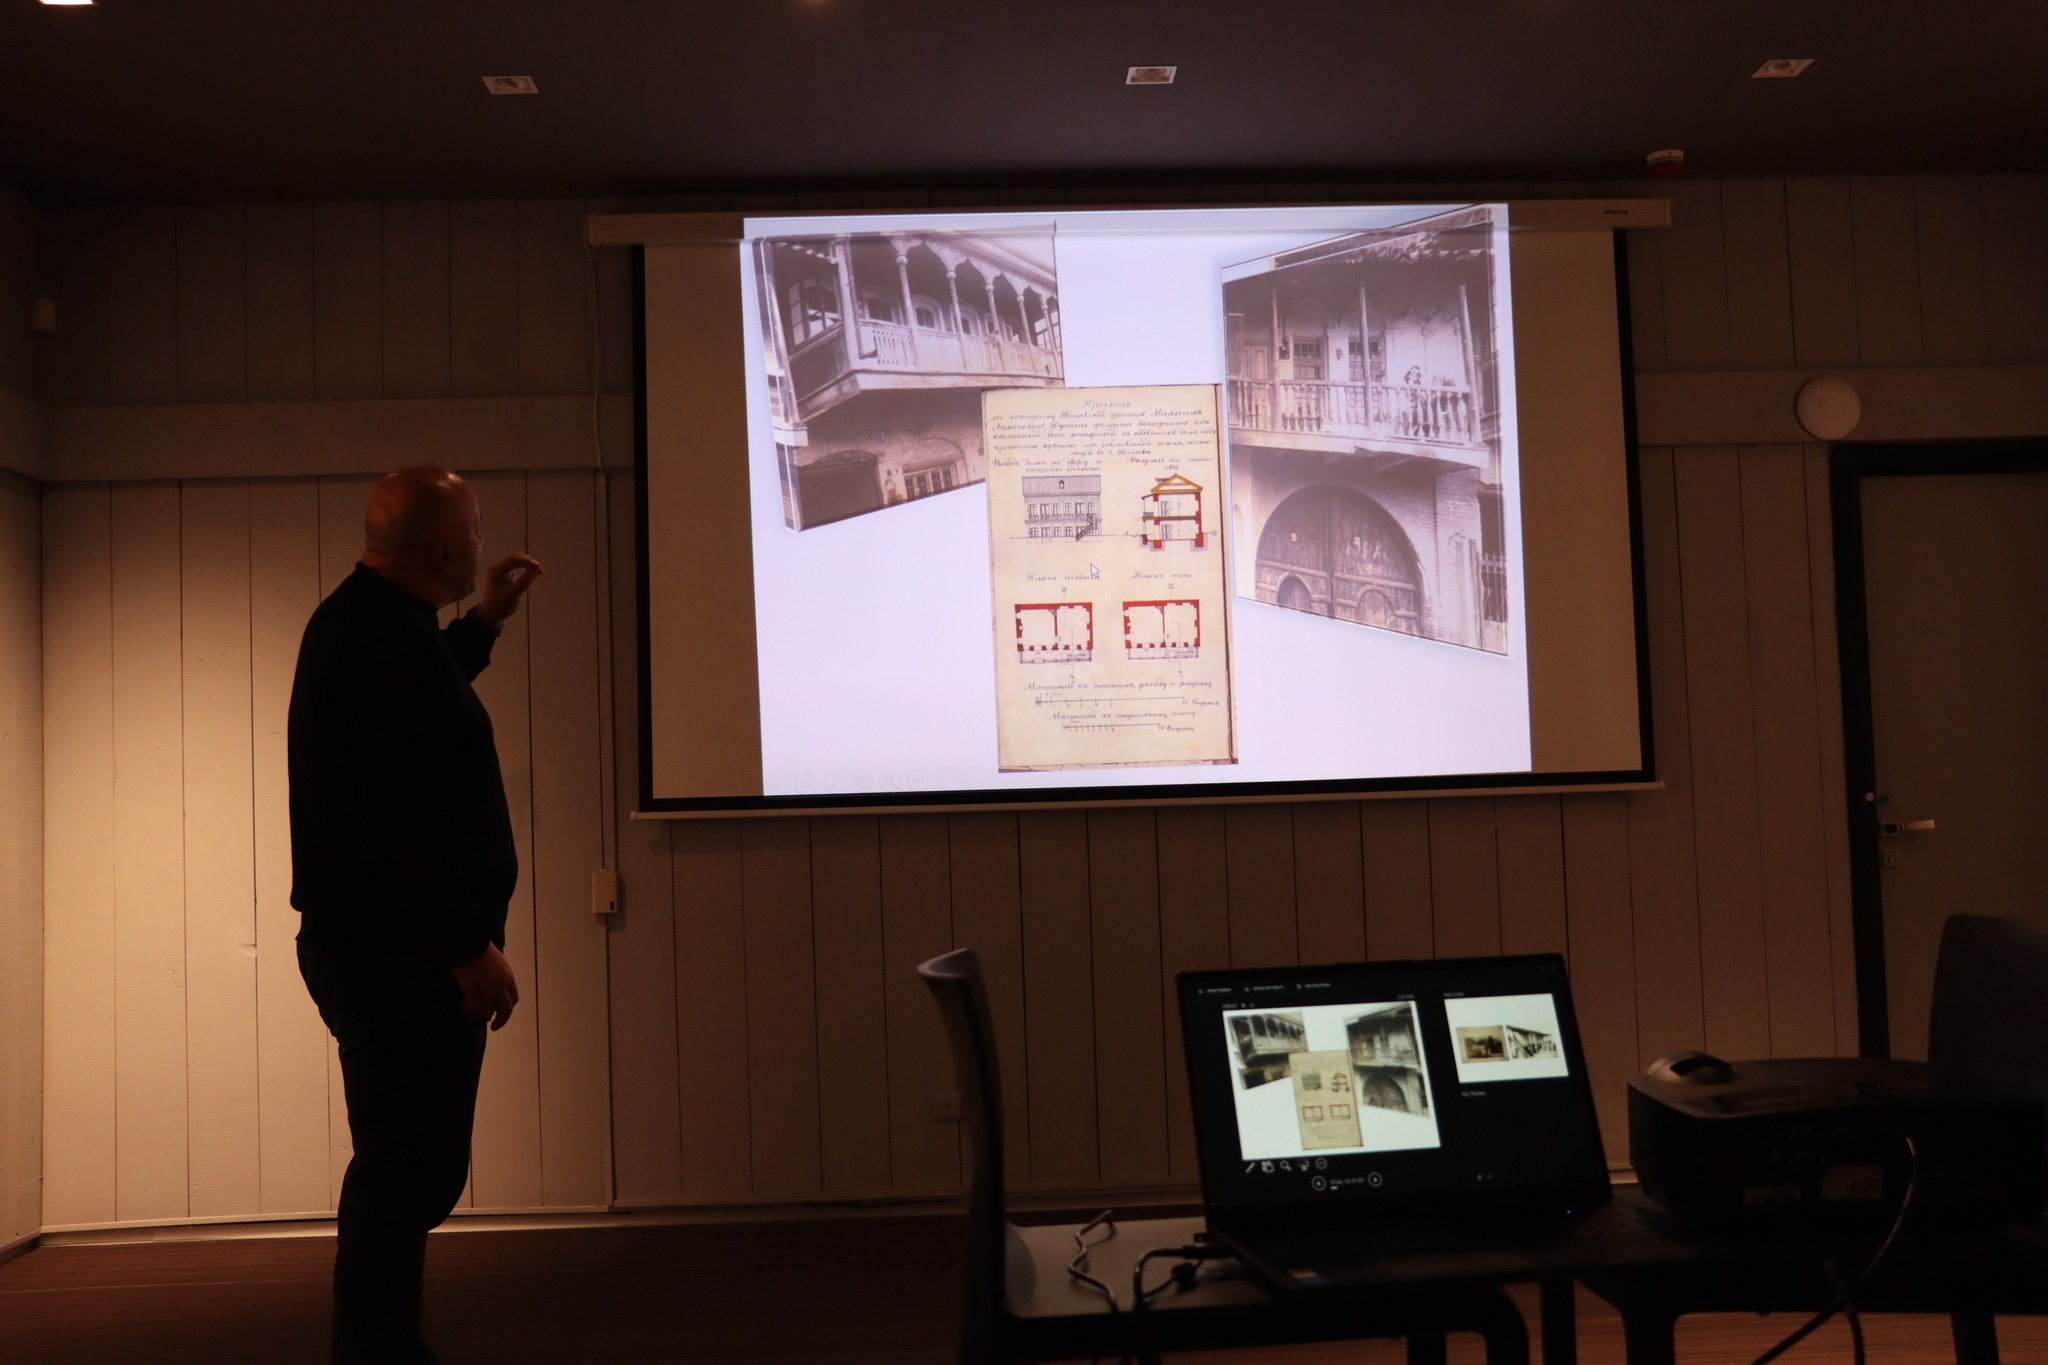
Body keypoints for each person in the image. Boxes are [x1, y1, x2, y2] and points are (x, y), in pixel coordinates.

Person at [287, 466, 542, 1364]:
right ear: (439, 551)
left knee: (409, 1165)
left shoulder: (373, 625)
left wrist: (484, 622)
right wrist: (469, 948)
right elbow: (404, 820)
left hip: (385, 950)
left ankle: (379, 1344)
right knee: (405, 1171)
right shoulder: (384, 642)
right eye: (473, 530)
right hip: (400, 960)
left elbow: (423, 701)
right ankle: (378, 1350)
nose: (481, 542)